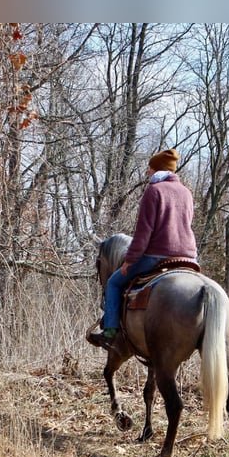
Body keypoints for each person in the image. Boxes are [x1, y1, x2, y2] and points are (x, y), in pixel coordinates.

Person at [88, 148, 198, 351]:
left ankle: (109, 332)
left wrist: (130, 259)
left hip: (158, 255)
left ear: (157, 170)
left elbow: (143, 232)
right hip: (189, 257)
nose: (147, 172)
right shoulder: (186, 192)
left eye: (150, 168)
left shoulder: (154, 190)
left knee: (113, 283)